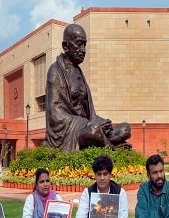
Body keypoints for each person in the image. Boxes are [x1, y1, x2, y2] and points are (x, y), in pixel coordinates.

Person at [44, 23, 131, 152]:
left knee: (125, 129)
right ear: (65, 46)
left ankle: (103, 140)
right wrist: (87, 124)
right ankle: (110, 147)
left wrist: (103, 123)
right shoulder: (55, 71)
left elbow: (89, 113)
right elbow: (54, 112)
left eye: (85, 45)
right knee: (94, 130)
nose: (83, 49)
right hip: (68, 132)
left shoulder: (79, 72)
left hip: (87, 126)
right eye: (79, 44)